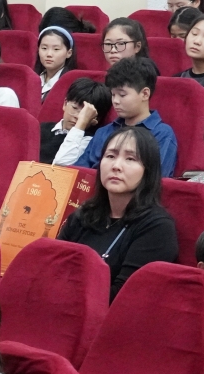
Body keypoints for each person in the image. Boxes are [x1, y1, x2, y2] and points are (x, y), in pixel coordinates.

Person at [57, 125, 179, 300]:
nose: (116, 166)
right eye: (110, 156)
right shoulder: (83, 214)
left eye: (130, 159)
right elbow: (54, 268)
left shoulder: (158, 228)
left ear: (148, 170)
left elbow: (124, 297)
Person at [58, 57, 177, 176]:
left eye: (122, 95)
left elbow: (157, 179)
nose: (115, 101)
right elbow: (79, 172)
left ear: (145, 94)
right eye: (113, 95)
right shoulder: (103, 132)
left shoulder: (162, 134)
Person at [42, 77, 109, 165]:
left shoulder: (90, 142)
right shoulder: (41, 128)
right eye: (74, 108)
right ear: (65, 104)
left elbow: (61, 164)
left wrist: (81, 124)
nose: (77, 116)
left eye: (85, 113)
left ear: (96, 118)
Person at [34, 25, 76, 102]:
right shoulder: (32, 79)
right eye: (44, 48)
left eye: (56, 49)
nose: (49, 54)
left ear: (69, 53)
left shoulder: (72, 84)